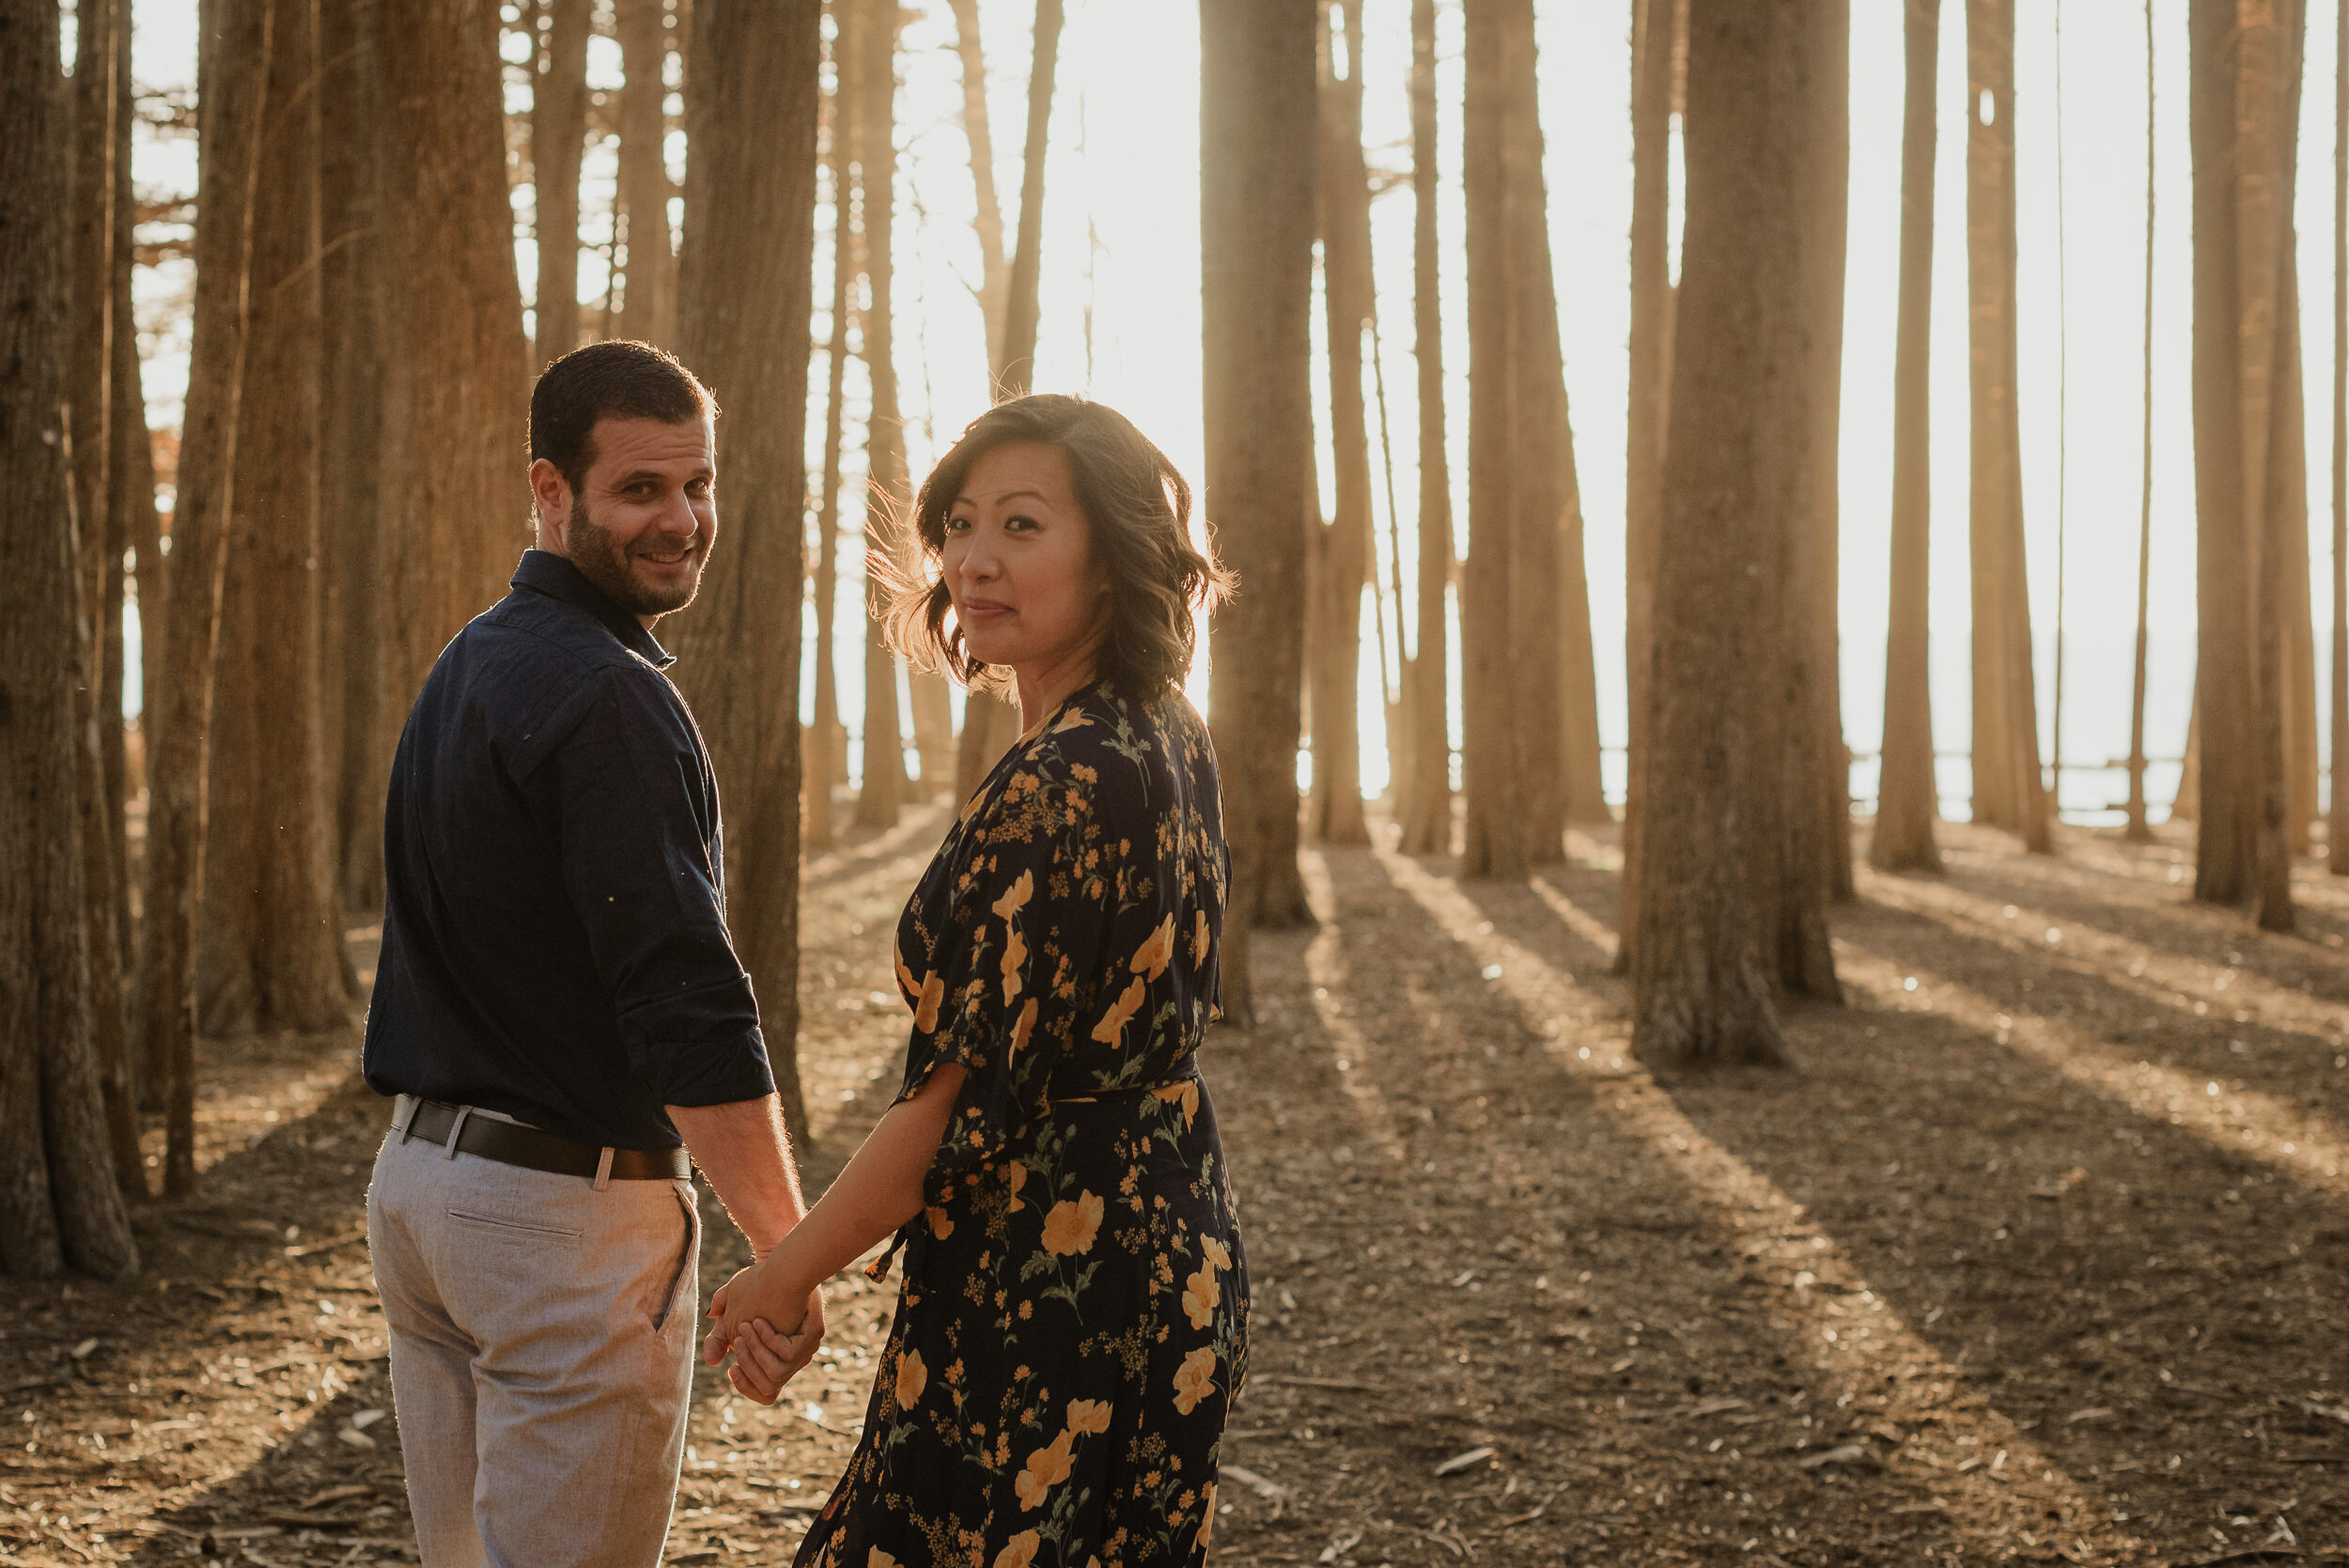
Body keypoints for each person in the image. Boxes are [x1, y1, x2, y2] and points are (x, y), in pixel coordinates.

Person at [702, 394, 1249, 1566]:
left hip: (1048, 1275)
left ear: (1110, 555)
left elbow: (954, 1104)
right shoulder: (1165, 727)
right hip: (1174, 1248)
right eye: (958, 524)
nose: (973, 560)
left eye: (1022, 525)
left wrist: (782, 1273)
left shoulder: (1056, 784)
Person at [363, 340, 822, 1568]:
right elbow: (684, 1001)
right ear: (551, 491)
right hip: (555, 1229)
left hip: (422, 1202)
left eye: (698, 485)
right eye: (640, 490)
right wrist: (788, 1256)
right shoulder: (610, 696)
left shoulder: (470, 664)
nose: (681, 521)